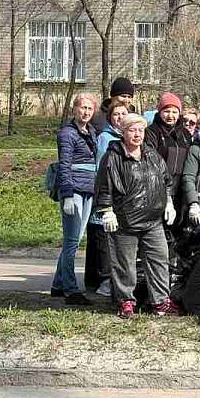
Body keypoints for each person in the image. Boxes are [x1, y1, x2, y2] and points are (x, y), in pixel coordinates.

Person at [95, 113, 178, 319]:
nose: (137, 134)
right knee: (125, 264)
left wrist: (168, 202)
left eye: (140, 130)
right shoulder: (113, 157)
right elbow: (104, 187)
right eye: (132, 130)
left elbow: (166, 180)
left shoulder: (152, 155)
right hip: (125, 221)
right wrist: (107, 211)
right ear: (123, 132)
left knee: (159, 260)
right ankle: (125, 301)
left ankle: (161, 301)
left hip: (153, 221)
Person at [51, 93, 98, 305]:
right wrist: (68, 194)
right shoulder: (67, 133)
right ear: (75, 109)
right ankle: (70, 289)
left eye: (90, 108)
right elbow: (64, 165)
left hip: (88, 189)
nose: (86, 112)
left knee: (77, 239)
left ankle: (57, 284)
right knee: (71, 241)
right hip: (74, 190)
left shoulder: (91, 131)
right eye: (83, 107)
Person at [85, 100, 131, 297]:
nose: (120, 117)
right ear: (110, 118)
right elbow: (102, 168)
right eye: (116, 114)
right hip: (109, 192)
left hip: (125, 195)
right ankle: (104, 280)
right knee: (104, 237)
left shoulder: (128, 135)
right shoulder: (106, 138)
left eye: (123, 114)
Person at [145, 92, 192, 209]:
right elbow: (150, 160)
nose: (170, 115)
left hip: (181, 188)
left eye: (174, 112)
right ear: (160, 112)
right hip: (159, 187)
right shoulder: (152, 132)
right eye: (166, 111)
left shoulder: (185, 134)